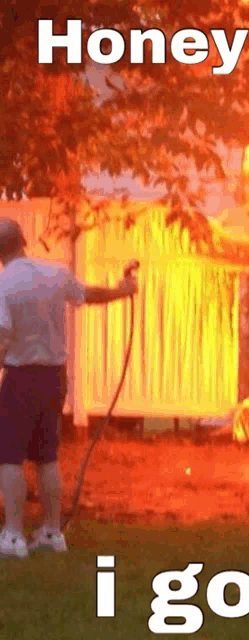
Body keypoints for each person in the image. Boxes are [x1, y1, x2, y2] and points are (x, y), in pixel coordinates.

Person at [0, 217, 138, 558]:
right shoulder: (55, 273)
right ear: (24, 240)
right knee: (47, 456)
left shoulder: (3, 285)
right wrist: (123, 290)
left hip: (20, 377)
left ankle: (14, 537)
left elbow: (2, 335)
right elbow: (88, 294)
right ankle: (51, 531)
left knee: (9, 456)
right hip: (54, 378)